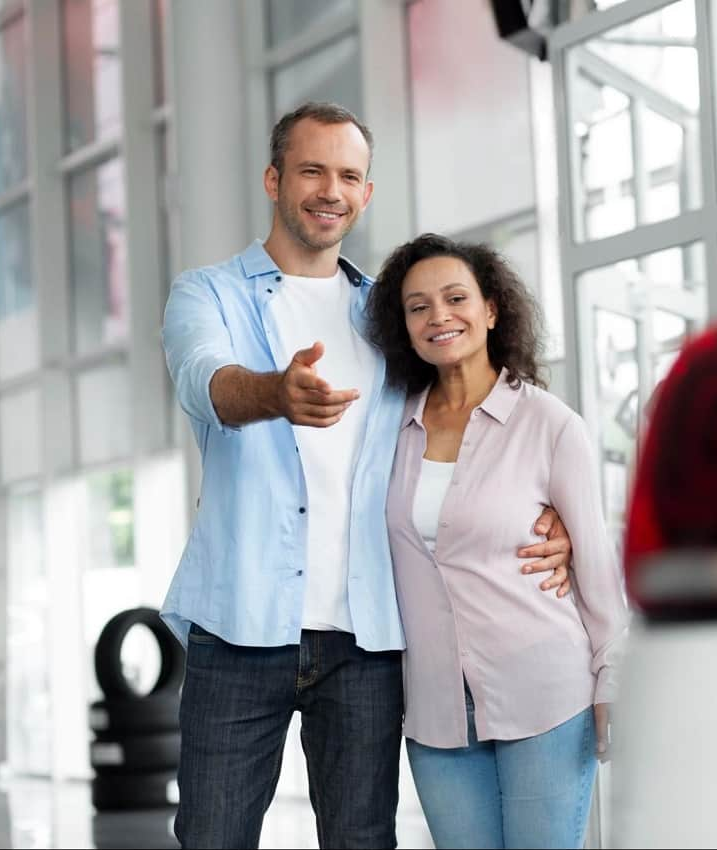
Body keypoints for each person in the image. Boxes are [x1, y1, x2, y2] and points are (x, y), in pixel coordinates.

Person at [159, 102, 574, 850]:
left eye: (349, 175)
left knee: (361, 840)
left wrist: (551, 516)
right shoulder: (208, 292)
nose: (330, 189)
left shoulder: (389, 311)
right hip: (238, 628)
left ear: (367, 192)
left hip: (369, 640)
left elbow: (467, 414)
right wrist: (273, 394)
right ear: (274, 179)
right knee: (213, 837)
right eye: (312, 170)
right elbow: (203, 381)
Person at [366, 233, 629, 849]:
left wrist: (612, 676)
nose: (440, 317)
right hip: (434, 712)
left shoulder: (549, 424)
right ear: (403, 326)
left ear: (491, 310)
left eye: (456, 298)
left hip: (545, 695)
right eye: (419, 306)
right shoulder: (388, 429)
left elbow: (593, 562)